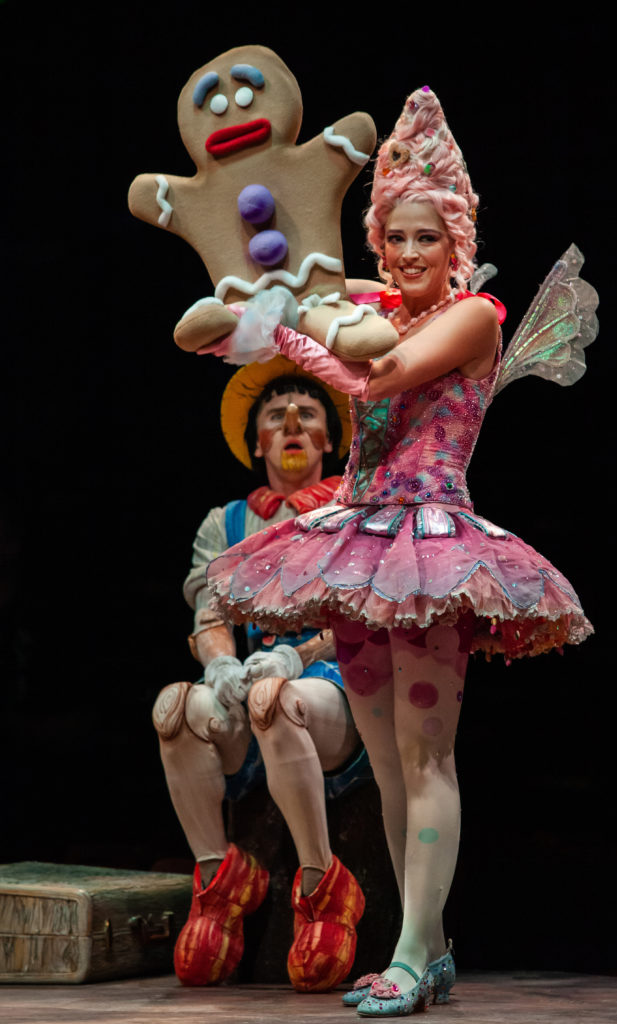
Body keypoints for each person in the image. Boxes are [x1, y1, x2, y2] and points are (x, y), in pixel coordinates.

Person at [204, 85, 594, 1016]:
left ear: (455, 243)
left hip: (431, 544)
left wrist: (293, 325)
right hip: (358, 543)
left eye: (428, 237)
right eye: (397, 236)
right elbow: (338, 352)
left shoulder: (476, 318)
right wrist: (262, 322)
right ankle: (426, 943)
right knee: (384, 765)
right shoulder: (370, 307)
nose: (410, 253)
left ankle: (415, 952)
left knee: (428, 761)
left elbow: (380, 375)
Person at [152, 356, 371, 992]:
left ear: (330, 439)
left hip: (332, 690)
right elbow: (209, 612)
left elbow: (365, 613)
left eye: (308, 414)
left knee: (276, 697)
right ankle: (219, 882)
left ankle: (321, 884)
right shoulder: (226, 524)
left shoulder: (356, 509)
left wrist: (297, 655)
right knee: (175, 707)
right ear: (258, 442)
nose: (292, 422)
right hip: (251, 691)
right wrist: (219, 661)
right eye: (276, 416)